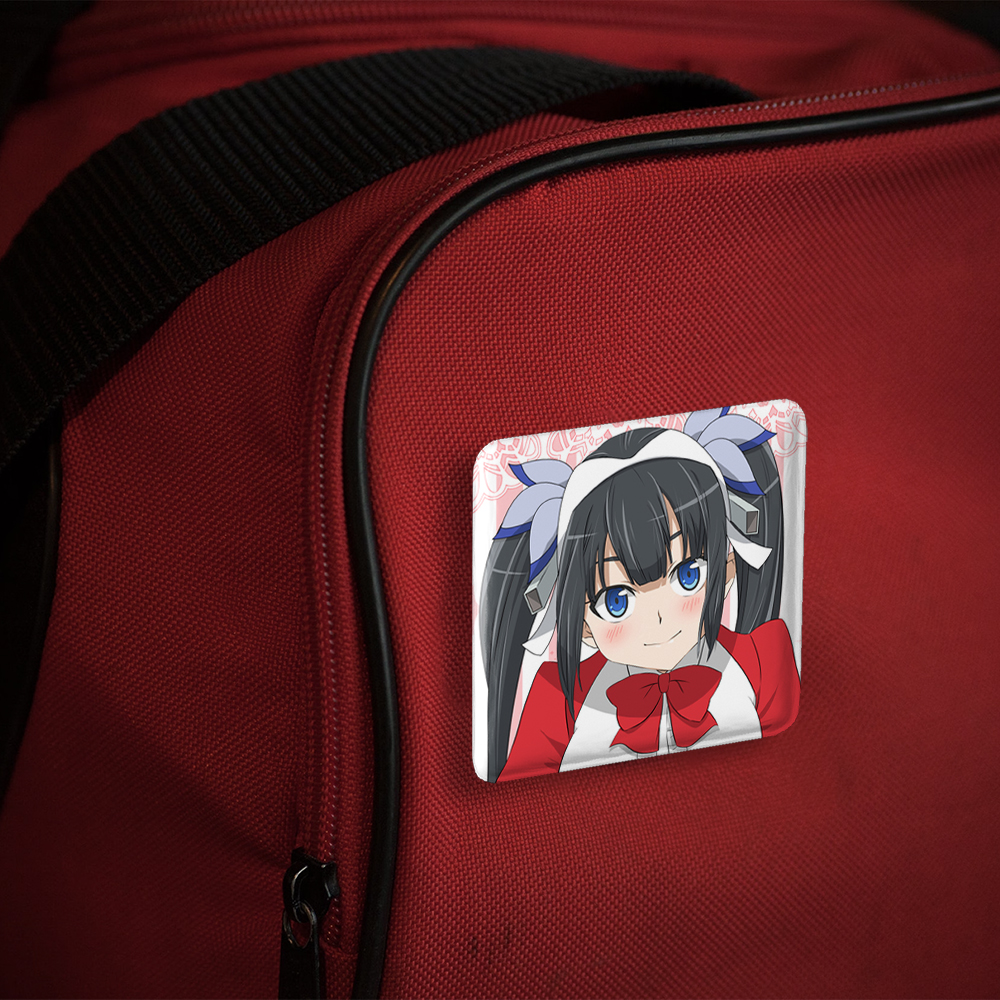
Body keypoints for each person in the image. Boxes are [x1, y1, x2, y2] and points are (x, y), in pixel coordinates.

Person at [479, 409, 800, 782]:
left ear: (727, 569)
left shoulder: (763, 659)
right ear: (582, 623)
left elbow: (785, 766)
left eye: (687, 576)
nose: (659, 618)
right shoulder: (557, 704)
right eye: (617, 601)